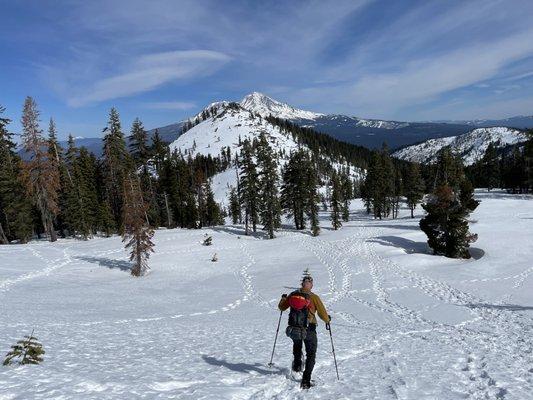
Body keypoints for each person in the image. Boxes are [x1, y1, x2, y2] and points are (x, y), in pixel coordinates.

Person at [278, 273, 330, 389]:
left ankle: (297, 365)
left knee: (297, 345)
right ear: (311, 285)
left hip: (295, 328)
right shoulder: (314, 297)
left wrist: (283, 299)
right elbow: (322, 314)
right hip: (309, 328)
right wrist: (327, 320)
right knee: (311, 354)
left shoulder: (293, 295)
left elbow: (282, 307)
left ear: (302, 284)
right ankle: (305, 381)